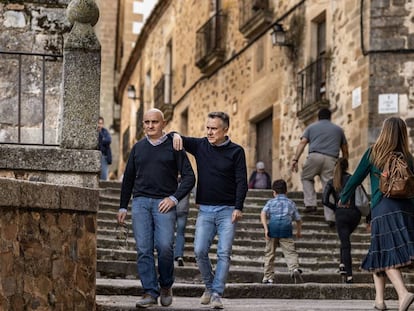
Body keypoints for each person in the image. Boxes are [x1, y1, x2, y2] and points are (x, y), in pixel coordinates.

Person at [117, 108, 195, 309]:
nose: (150, 126)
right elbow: (128, 180)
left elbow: (189, 177)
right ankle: (149, 292)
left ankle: (166, 285)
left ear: (163, 123)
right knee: (143, 249)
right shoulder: (138, 148)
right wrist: (123, 206)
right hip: (141, 202)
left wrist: (174, 198)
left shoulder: (175, 146)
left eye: (155, 122)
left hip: (164, 203)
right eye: (147, 122)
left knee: (164, 247)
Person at [172, 111, 248, 309]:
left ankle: (216, 294)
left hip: (228, 210)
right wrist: (177, 136)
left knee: (224, 252)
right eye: (207, 127)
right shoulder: (200, 145)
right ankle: (209, 285)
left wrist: (238, 207)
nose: (209, 132)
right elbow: (173, 135)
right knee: (199, 250)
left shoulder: (236, 151)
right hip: (205, 210)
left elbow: (242, 182)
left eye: (214, 128)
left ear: (225, 130)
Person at [339, 117, 414, 311]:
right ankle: (379, 300)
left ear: (384, 131)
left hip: (382, 208)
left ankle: (403, 293)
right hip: (405, 209)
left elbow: (355, 178)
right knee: (378, 251)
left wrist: (344, 196)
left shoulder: (374, 153)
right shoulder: (408, 157)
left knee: (386, 251)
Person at [291, 108, 348, 227]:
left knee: (306, 177)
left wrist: (295, 159)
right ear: (330, 117)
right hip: (332, 159)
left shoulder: (311, 127)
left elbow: (302, 143)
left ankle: (311, 204)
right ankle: (330, 217)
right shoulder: (338, 130)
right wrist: (344, 163)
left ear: (319, 117)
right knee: (330, 186)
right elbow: (345, 149)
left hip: (314, 157)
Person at [322, 158, 363, 284]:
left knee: (345, 242)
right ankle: (342, 264)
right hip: (354, 215)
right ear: (347, 166)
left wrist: (336, 208)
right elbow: (363, 198)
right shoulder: (353, 179)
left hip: (341, 215)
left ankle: (349, 275)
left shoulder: (332, 182)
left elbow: (324, 200)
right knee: (344, 238)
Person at [260, 179, 303, 284]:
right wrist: (298, 231)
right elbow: (298, 219)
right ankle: (294, 269)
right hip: (286, 229)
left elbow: (263, 214)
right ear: (286, 192)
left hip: (272, 228)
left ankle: (268, 277)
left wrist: (266, 229)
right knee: (290, 252)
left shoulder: (270, 202)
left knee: (269, 253)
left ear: (273, 192)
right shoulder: (290, 203)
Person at [174, 181, 191, 267]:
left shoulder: (169, 180)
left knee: (168, 232)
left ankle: (167, 253)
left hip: (171, 209)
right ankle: (179, 255)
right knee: (180, 233)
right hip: (183, 210)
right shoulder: (187, 182)